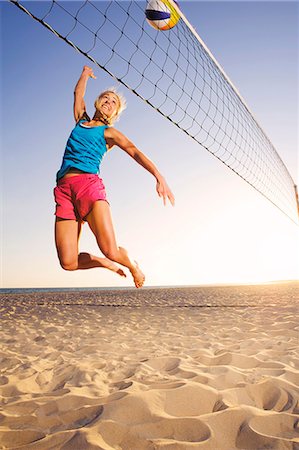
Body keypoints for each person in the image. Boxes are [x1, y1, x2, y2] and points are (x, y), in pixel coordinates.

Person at [54, 65, 175, 288]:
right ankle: (105, 264)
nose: (109, 102)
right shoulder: (81, 121)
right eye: (106, 99)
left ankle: (132, 266)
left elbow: (135, 151)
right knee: (68, 262)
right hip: (63, 190)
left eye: (113, 103)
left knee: (111, 249)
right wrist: (84, 74)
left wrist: (158, 176)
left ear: (115, 113)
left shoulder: (109, 133)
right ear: (98, 102)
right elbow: (78, 94)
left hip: (89, 187)